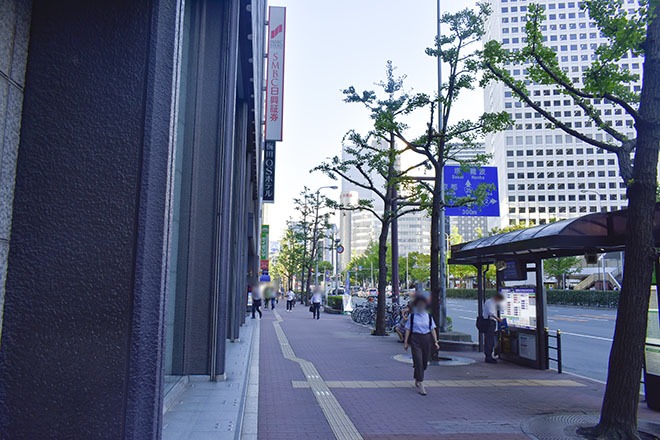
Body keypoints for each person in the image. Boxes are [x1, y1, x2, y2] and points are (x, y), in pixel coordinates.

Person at [404, 294, 439, 396]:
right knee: (418, 360)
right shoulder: (412, 316)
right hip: (415, 339)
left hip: (426, 339)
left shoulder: (428, 317)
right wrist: (406, 342)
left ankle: (417, 375)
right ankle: (420, 382)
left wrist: (435, 341)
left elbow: (432, 329)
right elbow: (408, 329)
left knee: (424, 362)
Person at [483, 291, 506, 364]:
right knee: (489, 340)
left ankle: (489, 355)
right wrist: (499, 319)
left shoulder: (490, 302)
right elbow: (491, 313)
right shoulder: (490, 302)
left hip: (490, 322)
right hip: (489, 323)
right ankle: (488, 357)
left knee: (489, 339)